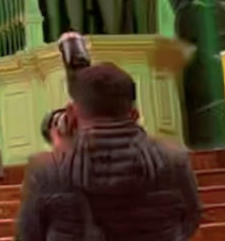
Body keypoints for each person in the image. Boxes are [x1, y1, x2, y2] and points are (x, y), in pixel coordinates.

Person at [15, 63, 202, 241]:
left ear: (71, 113)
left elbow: (29, 236)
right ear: (134, 113)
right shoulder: (174, 158)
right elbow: (190, 221)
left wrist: (61, 157)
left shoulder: (45, 169)